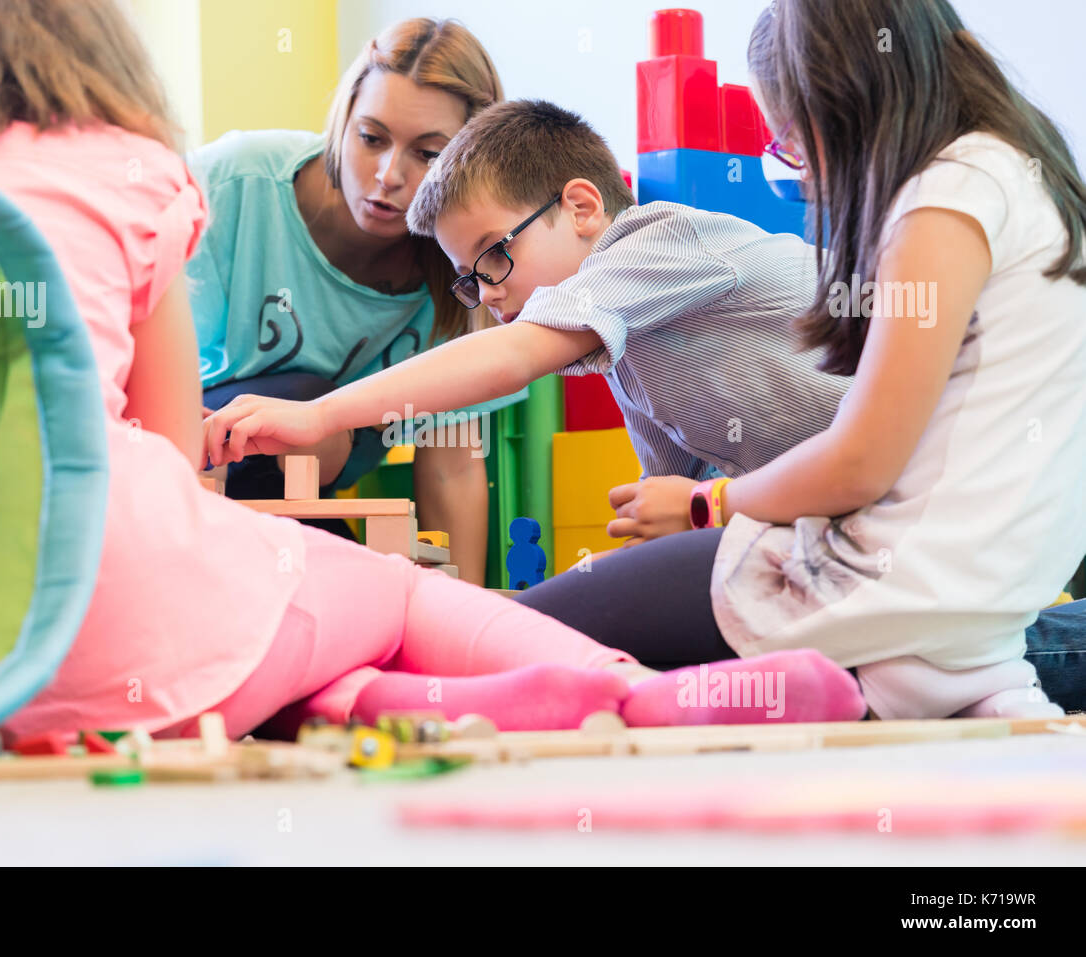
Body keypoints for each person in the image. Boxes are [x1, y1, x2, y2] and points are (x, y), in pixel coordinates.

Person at [0, 0, 867, 739]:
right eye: (370, 141)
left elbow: (478, 404)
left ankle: (433, 691)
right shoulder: (177, 178)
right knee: (383, 600)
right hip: (129, 565)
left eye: (490, 255)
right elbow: (173, 450)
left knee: (358, 606)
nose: (388, 180)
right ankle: (616, 693)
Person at [206, 31, 1086, 720]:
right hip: (840, 538)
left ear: (582, 208)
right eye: (468, 279)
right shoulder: (630, 357)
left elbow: (511, 356)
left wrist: (323, 416)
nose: (489, 298)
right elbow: (673, 507)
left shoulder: (656, 240)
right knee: (538, 619)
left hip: (900, 535)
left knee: (523, 624)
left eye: (495, 261)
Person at [186, 18, 526, 582]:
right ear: (343, 122)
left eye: (428, 154)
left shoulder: (474, 275)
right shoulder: (231, 185)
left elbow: (451, 469)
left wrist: (464, 618)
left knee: (364, 584)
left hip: (304, 505)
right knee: (308, 410)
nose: (389, 175)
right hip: (185, 462)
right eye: (371, 138)